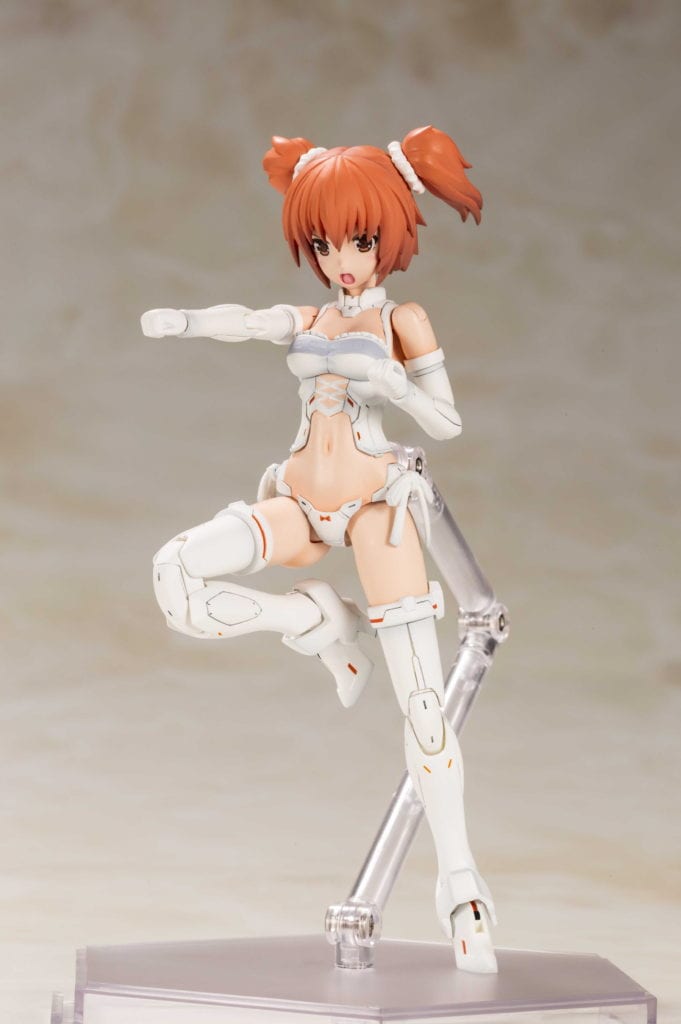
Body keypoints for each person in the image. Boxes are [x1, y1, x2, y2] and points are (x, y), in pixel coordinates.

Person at [141, 126, 497, 972]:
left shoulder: (401, 319)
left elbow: (447, 422)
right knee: (176, 576)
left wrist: (392, 380)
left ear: (388, 238)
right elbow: (248, 320)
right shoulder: (312, 316)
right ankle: (314, 623)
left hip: (374, 508)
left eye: (359, 241)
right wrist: (184, 321)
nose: (342, 260)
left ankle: (461, 888)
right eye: (325, 243)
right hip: (297, 500)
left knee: (422, 706)